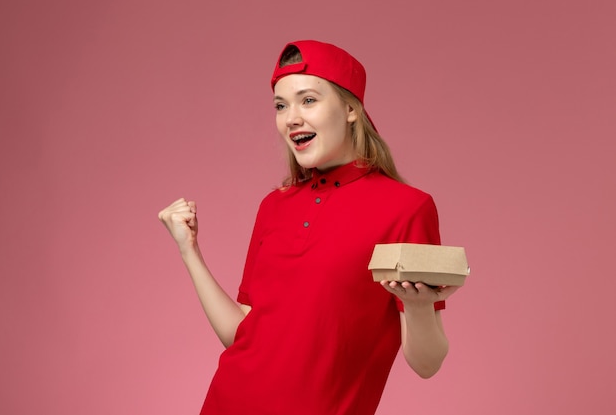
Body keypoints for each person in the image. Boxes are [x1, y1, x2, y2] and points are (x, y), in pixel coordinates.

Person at [158, 40, 460, 415]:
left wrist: (417, 305)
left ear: (351, 109)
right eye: (281, 106)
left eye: (309, 100)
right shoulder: (274, 206)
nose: (291, 118)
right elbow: (242, 334)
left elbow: (427, 364)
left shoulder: (407, 208)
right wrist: (190, 251)